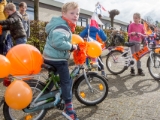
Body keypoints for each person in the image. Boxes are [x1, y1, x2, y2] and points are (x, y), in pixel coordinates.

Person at [43, 2, 79, 120]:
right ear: (63, 13)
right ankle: (68, 109)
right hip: (57, 59)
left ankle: (45, 95)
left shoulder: (59, 23)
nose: (75, 16)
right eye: (72, 13)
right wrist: (71, 46)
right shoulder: (63, 26)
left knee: (53, 78)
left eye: (77, 13)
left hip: (49, 56)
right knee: (66, 82)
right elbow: (57, 42)